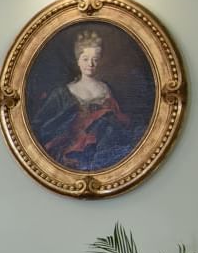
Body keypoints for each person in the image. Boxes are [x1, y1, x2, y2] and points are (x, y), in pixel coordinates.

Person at [32, 30, 135, 171]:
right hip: (72, 150)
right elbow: (41, 125)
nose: (91, 64)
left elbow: (119, 119)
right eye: (85, 59)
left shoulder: (106, 88)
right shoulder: (63, 92)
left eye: (95, 59)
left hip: (104, 147)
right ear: (78, 61)